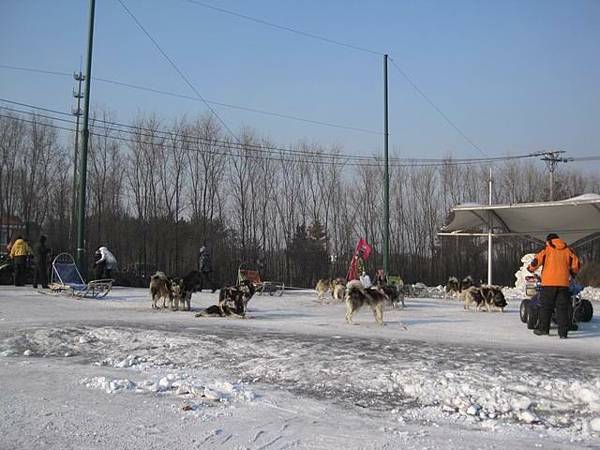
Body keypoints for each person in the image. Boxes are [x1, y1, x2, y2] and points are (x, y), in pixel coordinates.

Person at [527, 233, 580, 339]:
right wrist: (573, 273)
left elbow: (535, 262)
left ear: (549, 241)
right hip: (563, 284)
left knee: (546, 307)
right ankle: (563, 333)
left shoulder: (546, 250)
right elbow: (576, 264)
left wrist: (530, 269)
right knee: (562, 309)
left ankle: (543, 329)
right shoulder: (568, 251)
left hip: (548, 284)